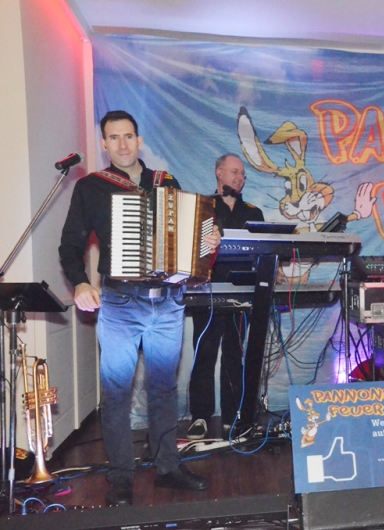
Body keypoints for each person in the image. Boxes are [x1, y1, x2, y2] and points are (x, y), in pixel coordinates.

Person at [59, 110, 220, 505]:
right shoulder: (91, 188)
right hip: (120, 302)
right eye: (113, 137)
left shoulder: (167, 182)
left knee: (164, 389)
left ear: (139, 140)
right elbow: (70, 244)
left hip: (167, 302)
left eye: (128, 136)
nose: (122, 144)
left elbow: (189, 244)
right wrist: (80, 282)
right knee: (117, 392)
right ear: (104, 144)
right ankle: (120, 478)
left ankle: (167, 468)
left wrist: (207, 242)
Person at [186, 154, 264, 440]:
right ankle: (200, 417)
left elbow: (261, 251)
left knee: (235, 354)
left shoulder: (253, 212)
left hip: (241, 293)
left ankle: (234, 417)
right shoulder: (203, 207)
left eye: (242, 174)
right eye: (234, 172)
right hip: (207, 291)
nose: (239, 178)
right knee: (204, 353)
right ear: (219, 173)